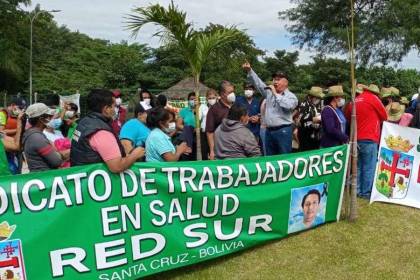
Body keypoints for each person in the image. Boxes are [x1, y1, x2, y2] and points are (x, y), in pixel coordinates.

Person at [70, 89, 145, 172]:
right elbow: (116, 166)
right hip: (96, 181)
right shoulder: (101, 132)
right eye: (114, 106)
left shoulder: (84, 122)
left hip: (81, 176)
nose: (115, 109)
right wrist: (134, 155)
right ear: (106, 109)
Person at [243, 61, 298, 155]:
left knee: (284, 159)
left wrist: (275, 94)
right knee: (270, 159)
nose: (275, 81)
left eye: (278, 79)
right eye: (274, 79)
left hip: (283, 131)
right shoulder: (269, 93)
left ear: (286, 82)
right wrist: (250, 70)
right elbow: (259, 84)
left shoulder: (291, 96)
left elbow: (287, 105)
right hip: (269, 131)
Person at [346, 84, 387, 199]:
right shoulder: (373, 99)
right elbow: (385, 116)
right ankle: (365, 192)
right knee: (369, 166)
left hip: (355, 138)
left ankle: (356, 190)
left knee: (357, 165)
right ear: (376, 94)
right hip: (369, 137)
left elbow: (349, 117)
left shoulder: (354, 100)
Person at [22, 103, 66, 172]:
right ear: (41, 119)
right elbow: (56, 161)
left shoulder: (32, 134)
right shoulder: (37, 138)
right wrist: (69, 152)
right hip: (44, 177)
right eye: (49, 116)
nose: (52, 118)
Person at [206, 81, 236, 160]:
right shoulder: (214, 109)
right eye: (230, 92)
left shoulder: (237, 106)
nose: (232, 94)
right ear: (222, 94)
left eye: (233, 92)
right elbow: (209, 132)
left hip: (237, 148)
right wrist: (212, 151)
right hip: (221, 148)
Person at [298, 86, 324, 151]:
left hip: (316, 134)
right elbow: (301, 118)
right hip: (305, 134)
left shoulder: (317, 105)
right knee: (306, 152)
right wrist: (314, 118)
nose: (319, 99)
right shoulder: (304, 104)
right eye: (318, 98)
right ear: (312, 97)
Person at [177, 92, 197, 160]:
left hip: (198, 136)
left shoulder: (201, 110)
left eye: (195, 99)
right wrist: (188, 129)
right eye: (191, 99)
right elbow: (178, 125)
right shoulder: (183, 111)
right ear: (188, 100)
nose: (193, 101)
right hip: (186, 137)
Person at [199, 89, 217, 160]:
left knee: (214, 152)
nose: (211, 99)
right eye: (209, 98)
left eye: (213, 98)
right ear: (206, 98)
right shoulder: (202, 107)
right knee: (204, 152)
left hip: (215, 133)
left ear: (216, 97)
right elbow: (198, 119)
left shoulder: (219, 107)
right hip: (204, 133)